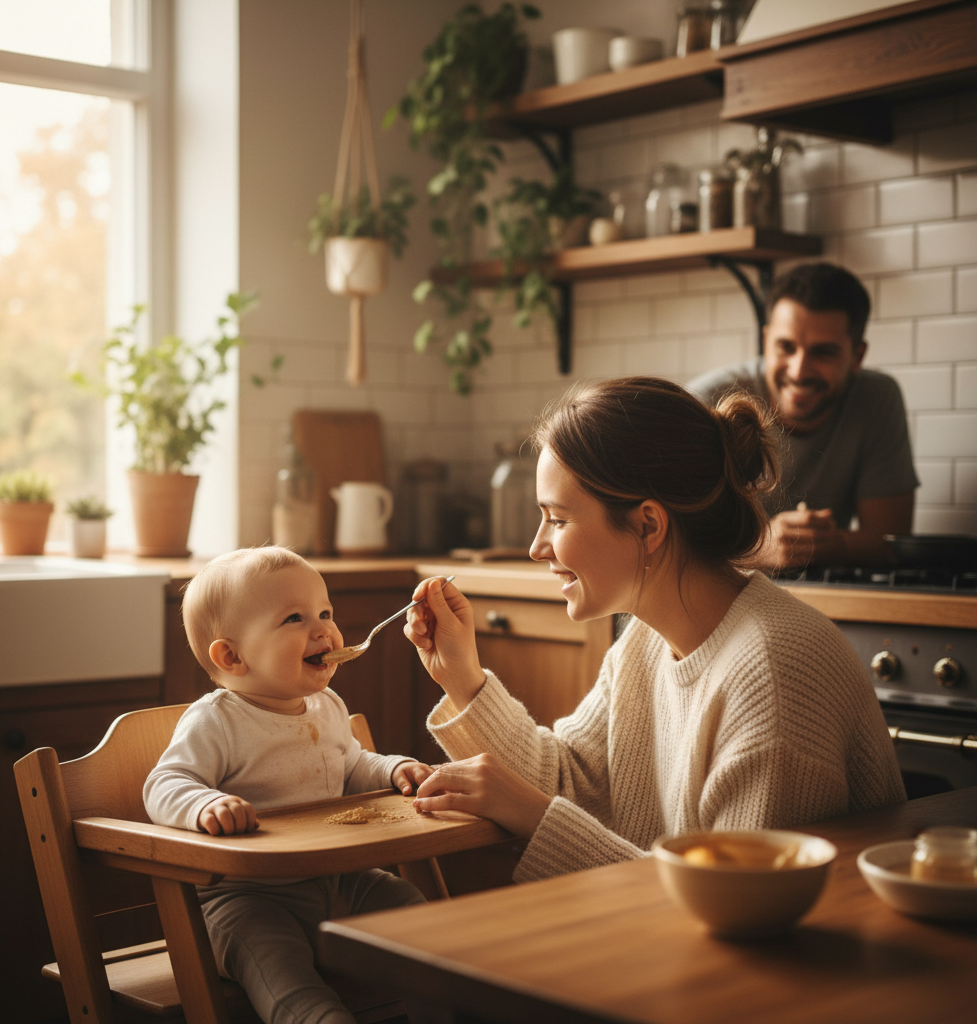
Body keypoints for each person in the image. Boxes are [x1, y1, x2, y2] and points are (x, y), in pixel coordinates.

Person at [405, 377, 905, 884]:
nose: (537, 548)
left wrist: (536, 818)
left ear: (648, 525)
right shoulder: (646, 641)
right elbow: (568, 778)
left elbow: (736, 899)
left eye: (557, 519)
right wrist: (462, 677)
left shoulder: (772, 676)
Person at [144, 546, 433, 1024]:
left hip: (342, 880)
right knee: (285, 976)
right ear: (232, 656)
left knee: (418, 917)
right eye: (295, 618)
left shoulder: (329, 706)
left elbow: (351, 766)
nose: (323, 630)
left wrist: (391, 770)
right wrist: (204, 805)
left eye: (325, 613)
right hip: (246, 899)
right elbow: (165, 782)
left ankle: (446, 1009)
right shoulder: (217, 721)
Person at [687, 262, 918, 571]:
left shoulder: (877, 398)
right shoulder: (705, 401)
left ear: (857, 356)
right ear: (765, 342)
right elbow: (664, 541)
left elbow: (891, 541)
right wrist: (760, 547)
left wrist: (826, 544)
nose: (799, 371)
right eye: (786, 347)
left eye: (823, 352)